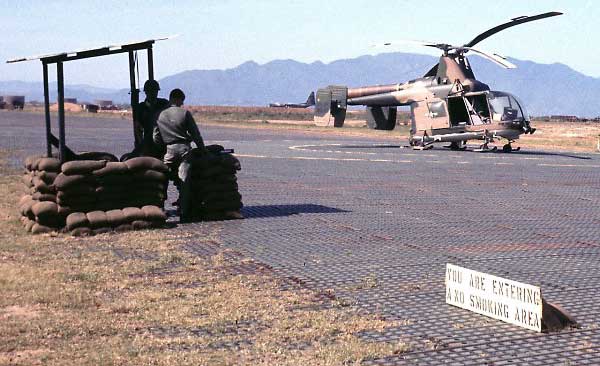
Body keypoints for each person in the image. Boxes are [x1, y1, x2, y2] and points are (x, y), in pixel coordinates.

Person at [154, 88, 208, 221]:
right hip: (184, 149)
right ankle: (184, 212)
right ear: (178, 99)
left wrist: (162, 148)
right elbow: (196, 134)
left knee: (162, 178)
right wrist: (203, 150)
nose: (182, 103)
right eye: (182, 101)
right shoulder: (185, 113)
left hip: (168, 150)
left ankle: (159, 208)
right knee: (184, 180)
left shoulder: (160, 114)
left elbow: (155, 136)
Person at [134, 80, 170, 158]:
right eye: (150, 91)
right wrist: (142, 144)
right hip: (148, 142)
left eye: (155, 91)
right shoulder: (141, 108)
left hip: (163, 142)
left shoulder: (163, 104)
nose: (153, 93)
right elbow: (138, 127)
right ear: (146, 92)